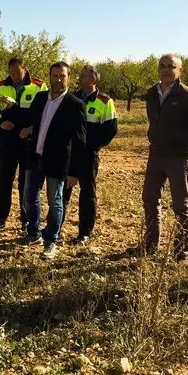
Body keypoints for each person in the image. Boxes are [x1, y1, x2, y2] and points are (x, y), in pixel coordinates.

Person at [129, 54, 188, 260]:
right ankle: (150, 245)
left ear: (180, 70)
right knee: (149, 199)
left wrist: (187, 148)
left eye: (171, 66)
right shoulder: (152, 93)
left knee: (181, 205)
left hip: (178, 157)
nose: (166, 70)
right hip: (156, 155)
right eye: (162, 66)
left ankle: (182, 250)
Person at [19, 61, 87, 259]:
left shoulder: (75, 105)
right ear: (50, 76)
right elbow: (33, 122)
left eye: (62, 76)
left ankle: (51, 240)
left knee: (55, 201)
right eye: (55, 76)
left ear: (69, 78)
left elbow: (80, 141)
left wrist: (74, 172)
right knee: (29, 197)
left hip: (58, 162)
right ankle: (34, 233)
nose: (58, 80)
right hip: (35, 157)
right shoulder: (40, 98)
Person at [0, 58, 47, 232]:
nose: (14, 77)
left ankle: (26, 221)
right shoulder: (0, 87)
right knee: (4, 180)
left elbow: (45, 113)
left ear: (25, 70)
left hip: (28, 143)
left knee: (26, 183)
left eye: (17, 73)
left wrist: (31, 128)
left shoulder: (39, 86)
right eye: (11, 73)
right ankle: (0, 218)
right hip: (7, 141)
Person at [61, 65, 118, 244]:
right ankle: (55, 227)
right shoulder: (71, 98)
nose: (81, 79)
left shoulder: (104, 101)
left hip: (88, 155)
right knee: (62, 192)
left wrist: (93, 146)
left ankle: (85, 232)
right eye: (80, 76)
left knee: (88, 193)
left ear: (95, 79)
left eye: (85, 76)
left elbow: (111, 130)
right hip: (69, 153)